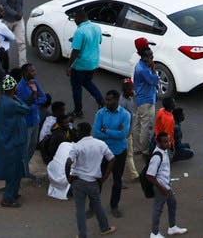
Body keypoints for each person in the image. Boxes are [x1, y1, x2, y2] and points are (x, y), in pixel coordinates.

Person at [66, 121, 117, 237]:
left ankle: (82, 235)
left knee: (80, 209)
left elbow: (68, 162)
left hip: (78, 181)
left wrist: (68, 177)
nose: (76, 133)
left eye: (77, 131)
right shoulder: (100, 144)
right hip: (94, 182)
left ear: (81, 132)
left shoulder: (77, 146)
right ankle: (105, 228)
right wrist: (105, 176)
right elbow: (112, 159)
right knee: (97, 205)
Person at [0, 74, 32, 207]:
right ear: (13, 89)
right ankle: (8, 198)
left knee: (16, 170)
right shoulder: (11, 103)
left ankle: (13, 192)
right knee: (13, 172)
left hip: (10, 141)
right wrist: (18, 99)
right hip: (13, 143)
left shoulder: (3, 99)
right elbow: (26, 108)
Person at [93, 89, 131, 218]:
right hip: (103, 152)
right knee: (98, 179)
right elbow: (96, 133)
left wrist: (105, 130)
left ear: (116, 100)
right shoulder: (100, 113)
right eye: (106, 99)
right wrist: (113, 132)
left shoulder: (125, 115)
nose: (106, 102)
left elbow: (123, 135)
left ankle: (114, 206)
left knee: (117, 180)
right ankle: (94, 205)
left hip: (119, 152)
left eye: (109, 100)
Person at [145, 131, 187, 238]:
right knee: (157, 209)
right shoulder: (157, 156)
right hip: (161, 188)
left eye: (168, 141)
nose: (168, 143)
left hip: (167, 186)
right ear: (157, 142)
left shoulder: (164, 151)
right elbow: (149, 175)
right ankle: (154, 233)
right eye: (165, 142)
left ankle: (172, 227)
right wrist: (162, 188)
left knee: (172, 204)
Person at [67, 7, 103, 118]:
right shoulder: (96, 27)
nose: (75, 22)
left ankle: (78, 111)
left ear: (80, 18)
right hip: (93, 63)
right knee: (87, 82)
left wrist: (69, 66)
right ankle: (101, 101)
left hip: (80, 65)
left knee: (76, 87)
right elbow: (99, 41)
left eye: (75, 19)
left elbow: (76, 51)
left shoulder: (79, 31)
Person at [15, 63, 49, 175]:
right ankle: (22, 170)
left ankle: (23, 166)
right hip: (26, 122)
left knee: (33, 145)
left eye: (34, 70)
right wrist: (34, 95)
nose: (34, 73)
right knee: (25, 147)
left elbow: (43, 98)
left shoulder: (35, 83)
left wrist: (35, 102)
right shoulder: (20, 87)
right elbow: (24, 106)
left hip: (35, 120)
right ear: (25, 73)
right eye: (32, 71)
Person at [133, 43, 159, 174]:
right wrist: (154, 69)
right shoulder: (144, 69)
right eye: (150, 57)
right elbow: (154, 81)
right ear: (145, 58)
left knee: (137, 124)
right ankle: (144, 149)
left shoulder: (140, 65)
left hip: (140, 99)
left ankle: (138, 147)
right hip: (147, 101)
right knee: (146, 126)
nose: (152, 58)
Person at [0, 0, 28, 66]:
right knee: (3, 44)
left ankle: (23, 66)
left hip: (19, 19)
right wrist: (15, 13)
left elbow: (21, 0)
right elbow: (4, 5)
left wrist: (20, 12)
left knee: (22, 43)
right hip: (7, 20)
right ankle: (3, 65)